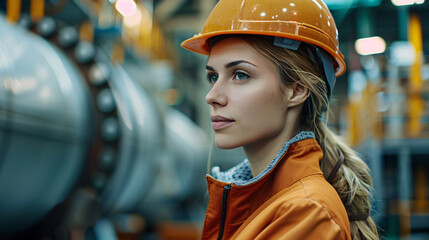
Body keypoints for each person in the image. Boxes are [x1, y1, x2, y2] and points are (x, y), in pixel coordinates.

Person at [181, 0, 379, 239]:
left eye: (240, 75)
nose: (212, 96)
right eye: (213, 77)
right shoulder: (264, 203)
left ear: (296, 90)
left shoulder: (307, 213)